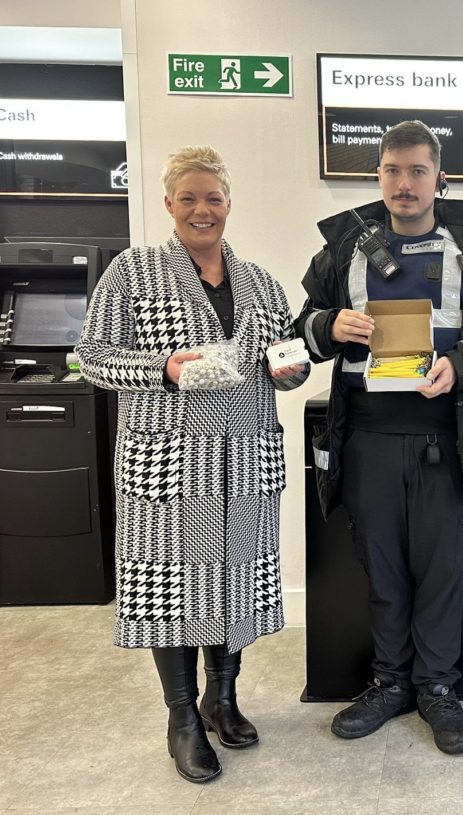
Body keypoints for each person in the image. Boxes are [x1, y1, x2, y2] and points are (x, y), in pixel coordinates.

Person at [295, 120, 463, 755]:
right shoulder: (343, 248)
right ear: (378, 176)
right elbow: (299, 327)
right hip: (367, 438)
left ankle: (438, 690)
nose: (405, 183)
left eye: (417, 171)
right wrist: (331, 324)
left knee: (444, 570)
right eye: (393, 171)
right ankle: (389, 684)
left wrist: (461, 365)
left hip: (449, 441)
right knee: (383, 570)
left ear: (439, 179)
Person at [75, 145, 309, 783]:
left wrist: (292, 369)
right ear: (170, 206)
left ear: (229, 204)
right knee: (170, 590)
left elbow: (285, 359)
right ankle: (182, 718)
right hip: (167, 463)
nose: (202, 210)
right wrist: (164, 368)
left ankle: (221, 698)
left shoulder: (260, 281)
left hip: (245, 456)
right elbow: (91, 358)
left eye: (213, 198)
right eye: (189, 199)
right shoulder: (133, 271)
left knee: (233, 580)